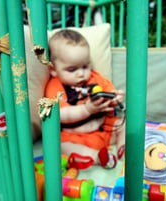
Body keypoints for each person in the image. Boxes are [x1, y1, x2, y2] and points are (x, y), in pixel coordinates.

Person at [45, 29, 125, 169]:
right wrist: (86, 109)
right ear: (53, 69)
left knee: (124, 125)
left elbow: (110, 91)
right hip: (77, 137)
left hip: (104, 129)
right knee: (59, 146)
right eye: (72, 70)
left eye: (85, 66)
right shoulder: (55, 86)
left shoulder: (95, 77)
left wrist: (115, 98)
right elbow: (60, 115)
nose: (81, 74)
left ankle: (123, 148)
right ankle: (97, 156)